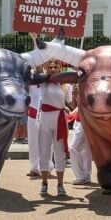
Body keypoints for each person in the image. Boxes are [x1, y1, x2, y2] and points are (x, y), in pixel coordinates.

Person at [38, 60, 71, 197]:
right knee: (44, 153)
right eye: (50, 67)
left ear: (60, 68)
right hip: (45, 119)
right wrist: (35, 40)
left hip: (59, 120)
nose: (52, 68)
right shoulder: (42, 81)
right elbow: (38, 65)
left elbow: (68, 102)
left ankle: (60, 185)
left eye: (55, 66)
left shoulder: (65, 85)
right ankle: (44, 183)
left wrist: (69, 109)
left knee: (59, 154)